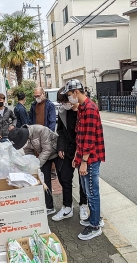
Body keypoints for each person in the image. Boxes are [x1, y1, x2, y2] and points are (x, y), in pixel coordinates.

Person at [61, 79, 105, 241]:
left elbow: (89, 138)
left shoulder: (90, 109)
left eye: (70, 94)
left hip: (91, 158)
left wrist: (84, 161)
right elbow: (80, 136)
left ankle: (95, 226)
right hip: (84, 156)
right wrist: (77, 158)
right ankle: (95, 218)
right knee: (88, 190)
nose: (69, 98)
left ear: (77, 92)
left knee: (92, 192)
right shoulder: (82, 109)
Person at [51, 88, 88, 222]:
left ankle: (84, 205)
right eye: (61, 102)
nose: (64, 104)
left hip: (83, 150)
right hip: (68, 149)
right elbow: (59, 130)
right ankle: (67, 207)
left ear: (72, 96)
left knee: (83, 180)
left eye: (65, 101)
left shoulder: (84, 111)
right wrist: (60, 147)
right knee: (65, 177)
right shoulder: (62, 112)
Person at [8, 124, 58, 215]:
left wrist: (37, 164)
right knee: (45, 180)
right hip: (44, 155)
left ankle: (68, 206)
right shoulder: (24, 139)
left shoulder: (40, 130)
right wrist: (28, 165)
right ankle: (49, 207)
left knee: (64, 179)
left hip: (57, 152)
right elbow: (29, 153)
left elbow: (47, 149)